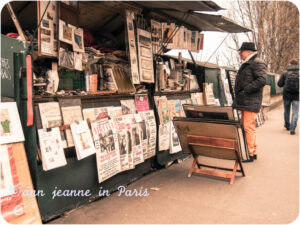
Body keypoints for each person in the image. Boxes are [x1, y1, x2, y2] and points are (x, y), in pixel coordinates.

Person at [232, 42, 267, 162]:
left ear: (248, 52)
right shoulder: (250, 63)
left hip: (249, 101)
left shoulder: (256, 62)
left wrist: (246, 89)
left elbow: (262, 80)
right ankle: (253, 152)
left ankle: (250, 154)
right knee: (249, 127)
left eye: (241, 51)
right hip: (246, 101)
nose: (240, 54)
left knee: (248, 127)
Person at [277, 58, 299, 135]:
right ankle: (292, 129)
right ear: (297, 64)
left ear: (290, 63)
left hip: (286, 95)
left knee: (287, 110)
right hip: (297, 95)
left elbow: (279, 84)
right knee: (295, 112)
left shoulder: (285, 73)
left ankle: (287, 125)